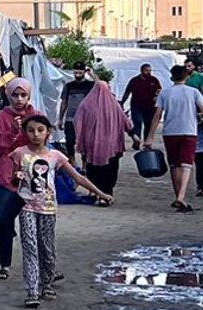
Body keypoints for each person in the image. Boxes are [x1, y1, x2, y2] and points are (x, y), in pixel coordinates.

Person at [10, 116, 111, 308]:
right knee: (30, 247)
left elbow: (78, 177)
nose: (36, 135)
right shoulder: (19, 154)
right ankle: (32, 291)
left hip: (48, 208)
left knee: (47, 247)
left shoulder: (55, 156)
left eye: (40, 130)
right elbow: (13, 181)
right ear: (25, 132)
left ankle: (47, 283)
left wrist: (100, 193)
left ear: (48, 132)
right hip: (27, 207)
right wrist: (17, 177)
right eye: (30, 130)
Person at [0, 77, 44, 280]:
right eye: (15, 95)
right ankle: (5, 265)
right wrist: (12, 132)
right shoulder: (1, 117)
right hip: (7, 173)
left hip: (33, 171)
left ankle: (43, 265)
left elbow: (43, 141)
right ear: (8, 95)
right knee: (5, 221)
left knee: (38, 219)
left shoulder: (35, 115)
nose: (19, 99)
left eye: (23, 95)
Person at [144, 65, 203, 212]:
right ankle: (181, 196)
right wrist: (196, 116)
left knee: (174, 165)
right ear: (186, 76)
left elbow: (157, 116)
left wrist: (149, 137)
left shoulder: (165, 93)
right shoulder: (193, 92)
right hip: (189, 131)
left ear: (171, 77)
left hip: (170, 132)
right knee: (187, 164)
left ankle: (178, 195)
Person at [73, 78, 130, 206]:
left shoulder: (85, 105)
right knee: (110, 171)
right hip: (112, 146)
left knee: (94, 171)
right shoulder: (114, 105)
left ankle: (98, 194)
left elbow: (77, 122)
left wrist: (81, 137)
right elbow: (126, 122)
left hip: (92, 146)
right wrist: (134, 135)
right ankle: (107, 194)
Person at [57, 62, 96, 161]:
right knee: (69, 141)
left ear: (84, 72)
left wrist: (92, 74)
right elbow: (64, 102)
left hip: (86, 119)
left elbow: (102, 86)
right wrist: (60, 119)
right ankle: (73, 162)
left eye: (80, 72)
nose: (77, 75)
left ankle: (84, 165)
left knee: (86, 143)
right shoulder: (69, 86)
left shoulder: (90, 85)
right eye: (76, 73)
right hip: (71, 118)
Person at [122, 64, 162, 145]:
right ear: (141, 70)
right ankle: (137, 141)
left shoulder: (154, 80)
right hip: (137, 106)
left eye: (150, 70)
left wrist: (157, 97)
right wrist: (122, 102)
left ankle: (146, 143)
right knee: (137, 124)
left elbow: (159, 91)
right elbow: (127, 92)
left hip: (150, 107)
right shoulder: (134, 81)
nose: (149, 72)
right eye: (147, 70)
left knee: (148, 125)